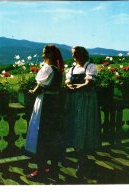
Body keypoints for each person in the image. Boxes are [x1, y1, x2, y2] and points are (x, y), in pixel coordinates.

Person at [24, 44, 66, 181]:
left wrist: (31, 92)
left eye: (44, 53)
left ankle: (40, 170)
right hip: (56, 105)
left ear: (49, 55)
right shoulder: (59, 70)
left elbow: (39, 87)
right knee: (53, 137)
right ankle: (53, 168)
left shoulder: (47, 69)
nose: (42, 56)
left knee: (41, 135)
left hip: (45, 104)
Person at [65, 46, 101, 177]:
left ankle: (83, 160)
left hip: (86, 101)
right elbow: (68, 82)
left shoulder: (90, 67)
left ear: (83, 54)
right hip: (74, 101)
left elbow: (89, 84)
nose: (74, 56)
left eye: (76, 54)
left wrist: (75, 87)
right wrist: (70, 86)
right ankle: (81, 158)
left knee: (84, 127)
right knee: (75, 127)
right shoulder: (72, 68)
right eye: (73, 54)